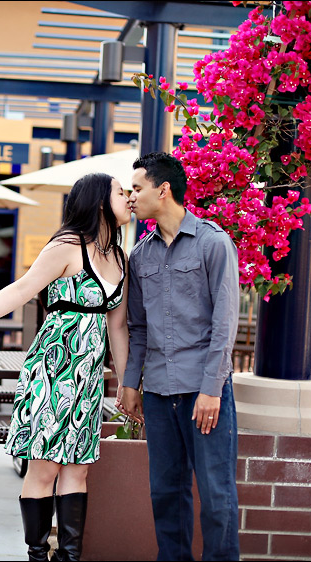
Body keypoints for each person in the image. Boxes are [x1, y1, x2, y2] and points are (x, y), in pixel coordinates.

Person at [0, 173, 131, 562]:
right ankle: (36, 555)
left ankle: (68, 557)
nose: (129, 198)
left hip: (87, 380)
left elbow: (117, 326)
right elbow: (21, 289)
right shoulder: (66, 246)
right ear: (99, 201)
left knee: (78, 470)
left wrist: (126, 386)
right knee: (44, 469)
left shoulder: (119, 257)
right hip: (52, 371)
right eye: (120, 191)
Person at [118, 152, 240, 561]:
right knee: (166, 493)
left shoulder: (213, 243)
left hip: (203, 393)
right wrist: (130, 383)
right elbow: (137, 327)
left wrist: (211, 390)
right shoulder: (140, 255)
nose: (131, 197)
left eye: (137, 188)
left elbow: (224, 326)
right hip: (156, 392)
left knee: (216, 494)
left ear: (163, 189)